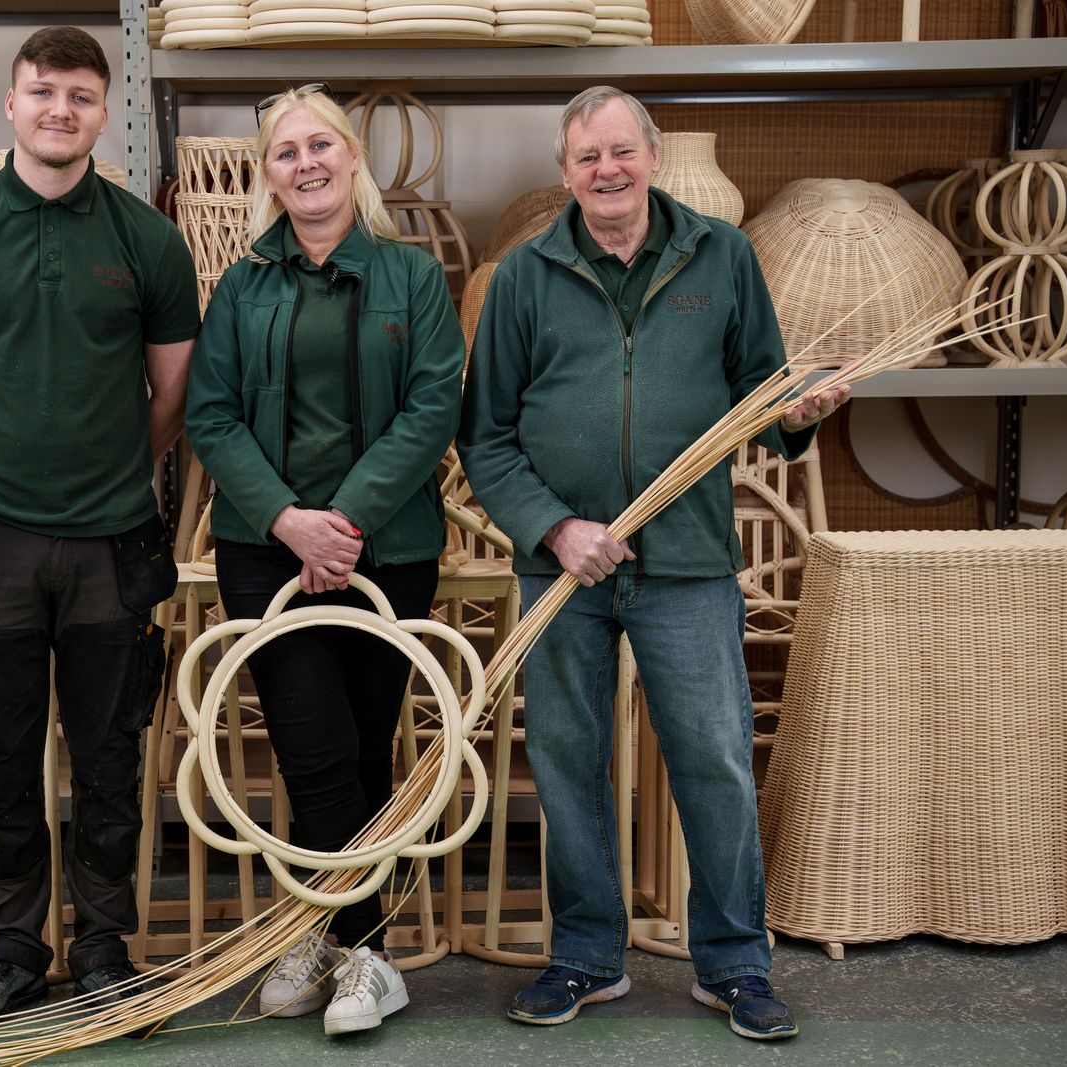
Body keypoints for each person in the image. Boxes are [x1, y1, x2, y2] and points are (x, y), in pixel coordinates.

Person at [457, 86, 848, 1042]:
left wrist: (795, 413)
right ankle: (587, 955)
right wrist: (556, 530)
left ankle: (736, 963)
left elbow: (761, 392)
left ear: (654, 156)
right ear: (565, 173)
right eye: (588, 157)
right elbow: (487, 436)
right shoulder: (524, 276)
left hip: (688, 560)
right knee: (565, 759)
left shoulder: (723, 256)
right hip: (564, 568)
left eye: (621, 151)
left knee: (714, 756)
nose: (608, 170)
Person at [0, 26, 200, 1027]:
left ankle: (104, 948)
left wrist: (101, 473)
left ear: (104, 113)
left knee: (110, 756)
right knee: (3, 755)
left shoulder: (148, 240)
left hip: (114, 537)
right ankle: (14, 951)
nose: (60, 109)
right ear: (11, 104)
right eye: (42, 91)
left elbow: (170, 395)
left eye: (79, 94)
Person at [184, 84, 464, 1037]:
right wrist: (290, 522)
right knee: (313, 745)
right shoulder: (242, 286)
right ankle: (352, 943)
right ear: (268, 175)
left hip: (389, 546)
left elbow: (433, 406)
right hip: (265, 551)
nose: (305, 164)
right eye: (285, 151)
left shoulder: (412, 277)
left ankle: (347, 948)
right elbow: (210, 414)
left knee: (366, 741)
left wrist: (343, 518)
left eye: (320, 145)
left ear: (352, 157)